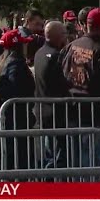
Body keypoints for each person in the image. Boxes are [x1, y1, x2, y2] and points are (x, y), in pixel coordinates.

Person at [60, 8, 100, 166]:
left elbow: (60, 73)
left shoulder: (72, 46)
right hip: (98, 113)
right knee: (95, 162)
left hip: (73, 110)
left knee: (76, 161)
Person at [0, 29, 36, 169]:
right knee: (19, 160)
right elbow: (17, 89)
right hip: (17, 119)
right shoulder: (16, 64)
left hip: (11, 118)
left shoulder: (3, 61)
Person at [34, 21, 69, 167]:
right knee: (58, 154)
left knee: (50, 150)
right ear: (57, 36)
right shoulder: (56, 56)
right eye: (63, 34)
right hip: (55, 110)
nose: (66, 38)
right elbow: (62, 84)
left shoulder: (39, 52)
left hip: (43, 108)